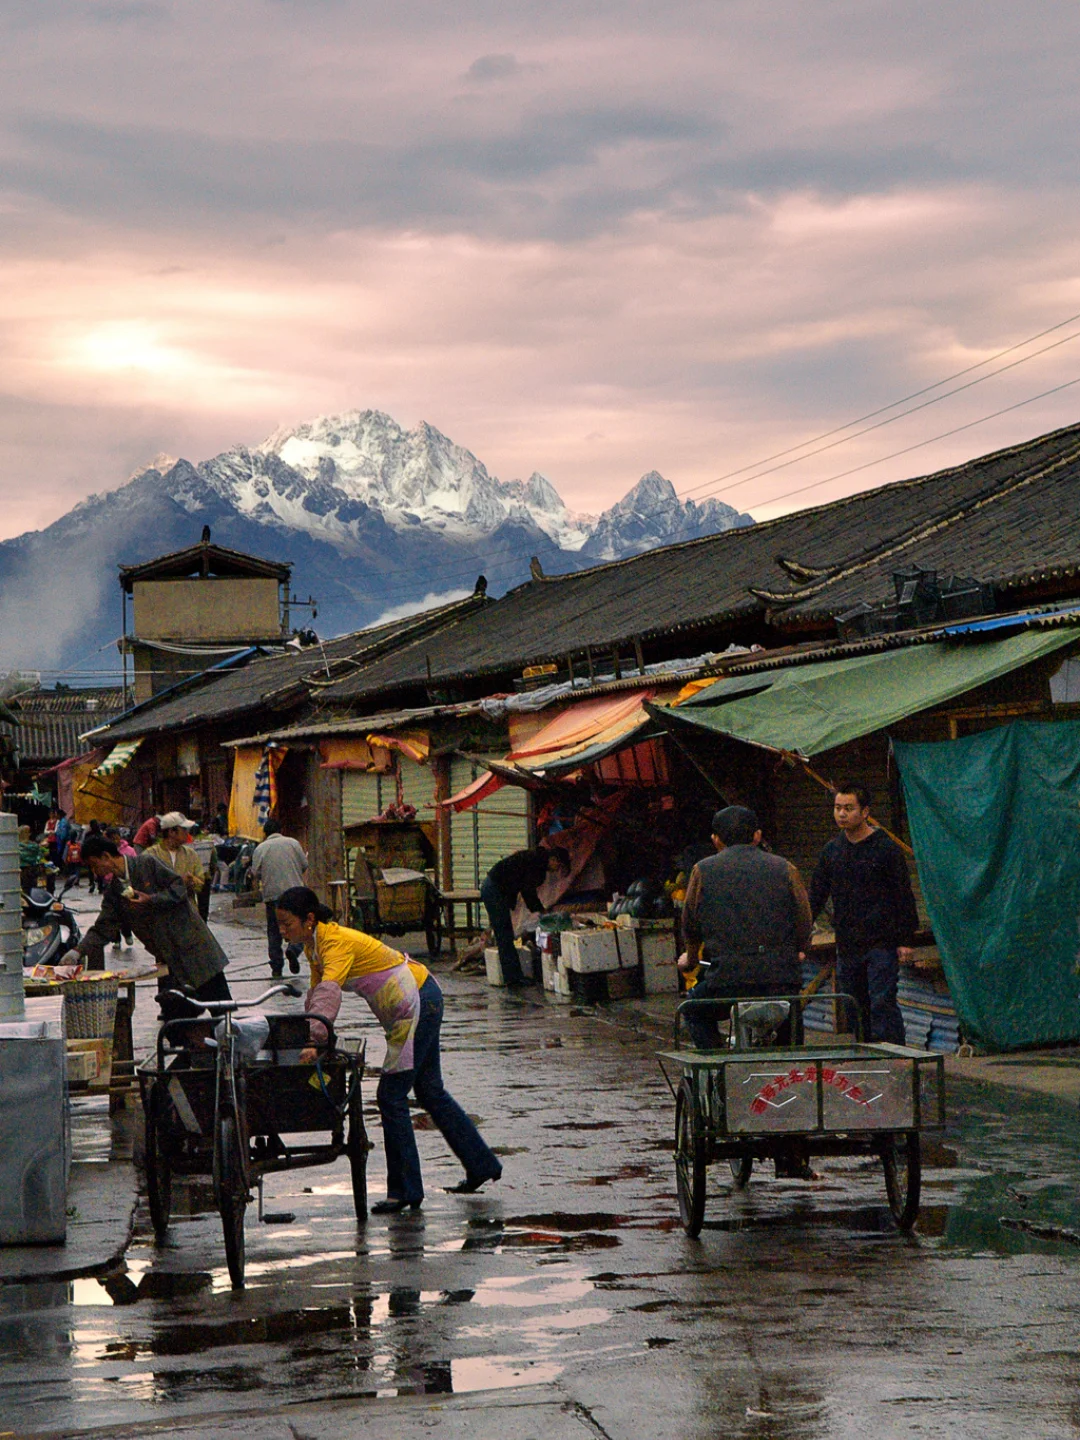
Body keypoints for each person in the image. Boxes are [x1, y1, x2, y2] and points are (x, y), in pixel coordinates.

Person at [275, 886, 502, 1213]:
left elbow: (328, 992)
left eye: (287, 924)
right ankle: (481, 1165)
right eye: (279, 925)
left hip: (416, 1003)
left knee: (391, 1096)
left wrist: (314, 1041)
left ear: (309, 919)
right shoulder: (314, 946)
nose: (283, 932)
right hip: (419, 998)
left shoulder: (335, 942)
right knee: (428, 1090)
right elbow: (315, 998)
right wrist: (310, 1035)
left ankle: (406, 1191)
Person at [679, 806, 812, 1051]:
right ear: (757, 836)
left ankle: (718, 1066)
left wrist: (690, 956)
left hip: (727, 982)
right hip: (781, 980)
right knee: (790, 1030)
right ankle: (794, 1071)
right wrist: (801, 949)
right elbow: (804, 918)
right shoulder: (785, 867)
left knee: (693, 1009)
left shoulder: (703, 870)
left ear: (716, 840)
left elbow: (690, 922)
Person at [64, 835, 231, 1019]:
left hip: (195, 949)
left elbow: (179, 888)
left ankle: (231, 1046)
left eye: (95, 865)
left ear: (106, 856)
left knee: (222, 1011)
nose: (95, 872)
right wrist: (77, 952)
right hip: (169, 960)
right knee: (176, 1020)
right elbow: (103, 928)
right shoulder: (114, 892)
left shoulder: (147, 863)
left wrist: (152, 900)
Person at [809, 783, 918, 1046]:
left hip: (882, 941)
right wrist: (802, 931)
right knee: (854, 1004)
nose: (841, 814)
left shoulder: (884, 848)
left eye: (848, 808)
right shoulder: (832, 851)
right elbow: (816, 895)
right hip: (848, 943)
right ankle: (864, 1051)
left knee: (882, 1000)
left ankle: (893, 1055)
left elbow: (902, 894)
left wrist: (905, 940)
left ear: (865, 811)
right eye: (837, 808)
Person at [480, 846, 571, 988]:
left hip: (494, 888)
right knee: (504, 935)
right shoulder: (536, 864)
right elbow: (528, 891)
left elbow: (527, 889)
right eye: (558, 865)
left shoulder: (536, 861)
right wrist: (541, 911)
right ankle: (512, 979)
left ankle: (513, 976)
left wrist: (539, 910)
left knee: (505, 934)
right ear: (553, 859)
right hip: (494, 890)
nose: (557, 870)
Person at [250, 819, 308, 977]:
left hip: (273, 896)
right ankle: (294, 950)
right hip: (295, 893)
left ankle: (276, 966)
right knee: (299, 925)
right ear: (280, 830)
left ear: (265, 833)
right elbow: (304, 865)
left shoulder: (260, 848)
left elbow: (255, 872)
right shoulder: (293, 843)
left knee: (274, 930)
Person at [144, 812, 207, 912]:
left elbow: (200, 883)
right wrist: (177, 882)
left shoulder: (191, 854)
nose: (187, 833)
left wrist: (191, 881)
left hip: (186, 912)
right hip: (160, 913)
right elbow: (145, 884)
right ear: (172, 832)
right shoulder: (150, 855)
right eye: (184, 830)